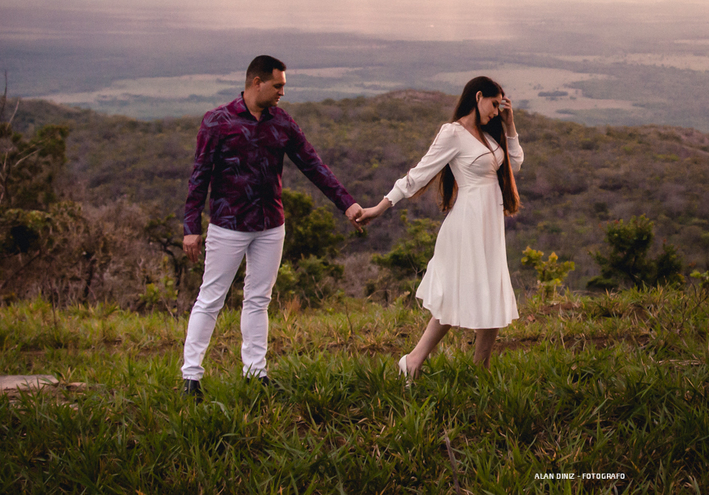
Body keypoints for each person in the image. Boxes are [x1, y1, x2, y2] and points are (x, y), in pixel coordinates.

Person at [180, 55, 363, 400]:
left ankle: (255, 373)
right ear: (256, 83)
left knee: (258, 300)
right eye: (277, 85)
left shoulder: (282, 123)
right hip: (228, 225)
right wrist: (191, 226)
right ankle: (191, 377)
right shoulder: (217, 121)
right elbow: (199, 176)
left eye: (283, 86)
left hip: (270, 225)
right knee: (211, 298)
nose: (282, 92)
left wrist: (347, 204)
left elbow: (313, 165)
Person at [359, 75, 522, 378]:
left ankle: (480, 369)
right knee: (455, 293)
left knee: (491, 290)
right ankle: (413, 361)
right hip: (467, 225)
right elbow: (417, 175)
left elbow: (516, 163)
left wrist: (510, 126)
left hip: (489, 226)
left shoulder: (489, 135)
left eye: (501, 106)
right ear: (478, 97)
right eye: (494, 104)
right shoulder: (453, 133)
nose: (496, 111)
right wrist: (381, 207)